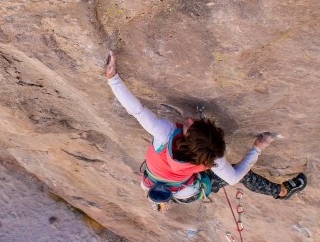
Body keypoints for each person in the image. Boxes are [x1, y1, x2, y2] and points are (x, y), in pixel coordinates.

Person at [104, 52, 307, 205]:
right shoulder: (211, 159)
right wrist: (256, 148)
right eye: (195, 124)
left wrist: (113, 78)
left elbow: (137, 111)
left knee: (238, 174)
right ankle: (280, 191)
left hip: (171, 186)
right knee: (243, 174)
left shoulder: (164, 135)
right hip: (185, 190)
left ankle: (282, 191)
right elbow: (234, 177)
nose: (190, 120)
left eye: (192, 126)